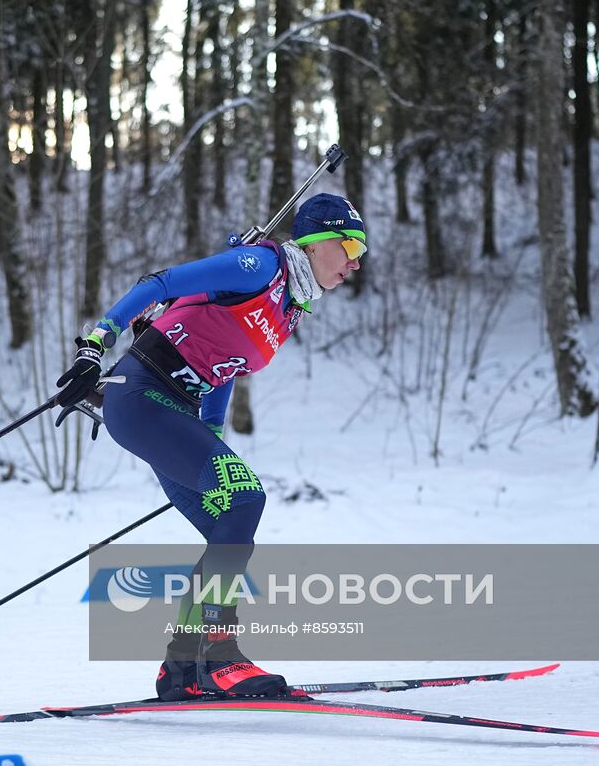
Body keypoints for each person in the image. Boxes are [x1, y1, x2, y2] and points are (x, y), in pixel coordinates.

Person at [55, 192, 368, 700]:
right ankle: (222, 659)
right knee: (246, 500)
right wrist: (96, 344)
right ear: (314, 242)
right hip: (141, 397)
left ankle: (182, 670)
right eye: (349, 244)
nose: (354, 261)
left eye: (361, 252)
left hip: (174, 413)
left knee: (229, 525)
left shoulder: (289, 308)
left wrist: (211, 441)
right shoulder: (260, 265)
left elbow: (223, 367)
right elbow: (161, 283)